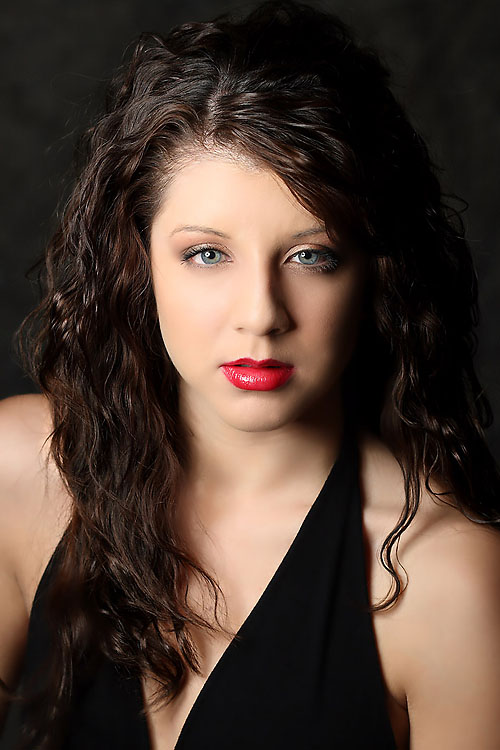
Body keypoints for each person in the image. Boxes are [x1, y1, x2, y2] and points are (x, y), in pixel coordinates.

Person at [1, 0, 500, 748]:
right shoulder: (21, 474)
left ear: (374, 273)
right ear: (139, 261)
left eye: (311, 256)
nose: (261, 315)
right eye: (207, 254)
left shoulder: (446, 581)